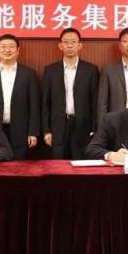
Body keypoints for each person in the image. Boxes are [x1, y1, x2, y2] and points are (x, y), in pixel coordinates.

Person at [0, 34, 40, 159]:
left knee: (19, 166)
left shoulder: (29, 74)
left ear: (18, 50)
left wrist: (33, 132)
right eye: (3, 47)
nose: (7, 50)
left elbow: (34, 105)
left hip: (20, 130)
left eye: (11, 46)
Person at [41, 28, 99, 159]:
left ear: (80, 45)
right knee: (58, 165)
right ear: (60, 46)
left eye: (73, 42)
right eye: (66, 42)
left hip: (83, 127)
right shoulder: (50, 70)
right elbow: (45, 103)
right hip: (58, 127)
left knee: (80, 165)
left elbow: (94, 102)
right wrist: (46, 130)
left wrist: (94, 129)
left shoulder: (91, 70)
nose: (70, 45)